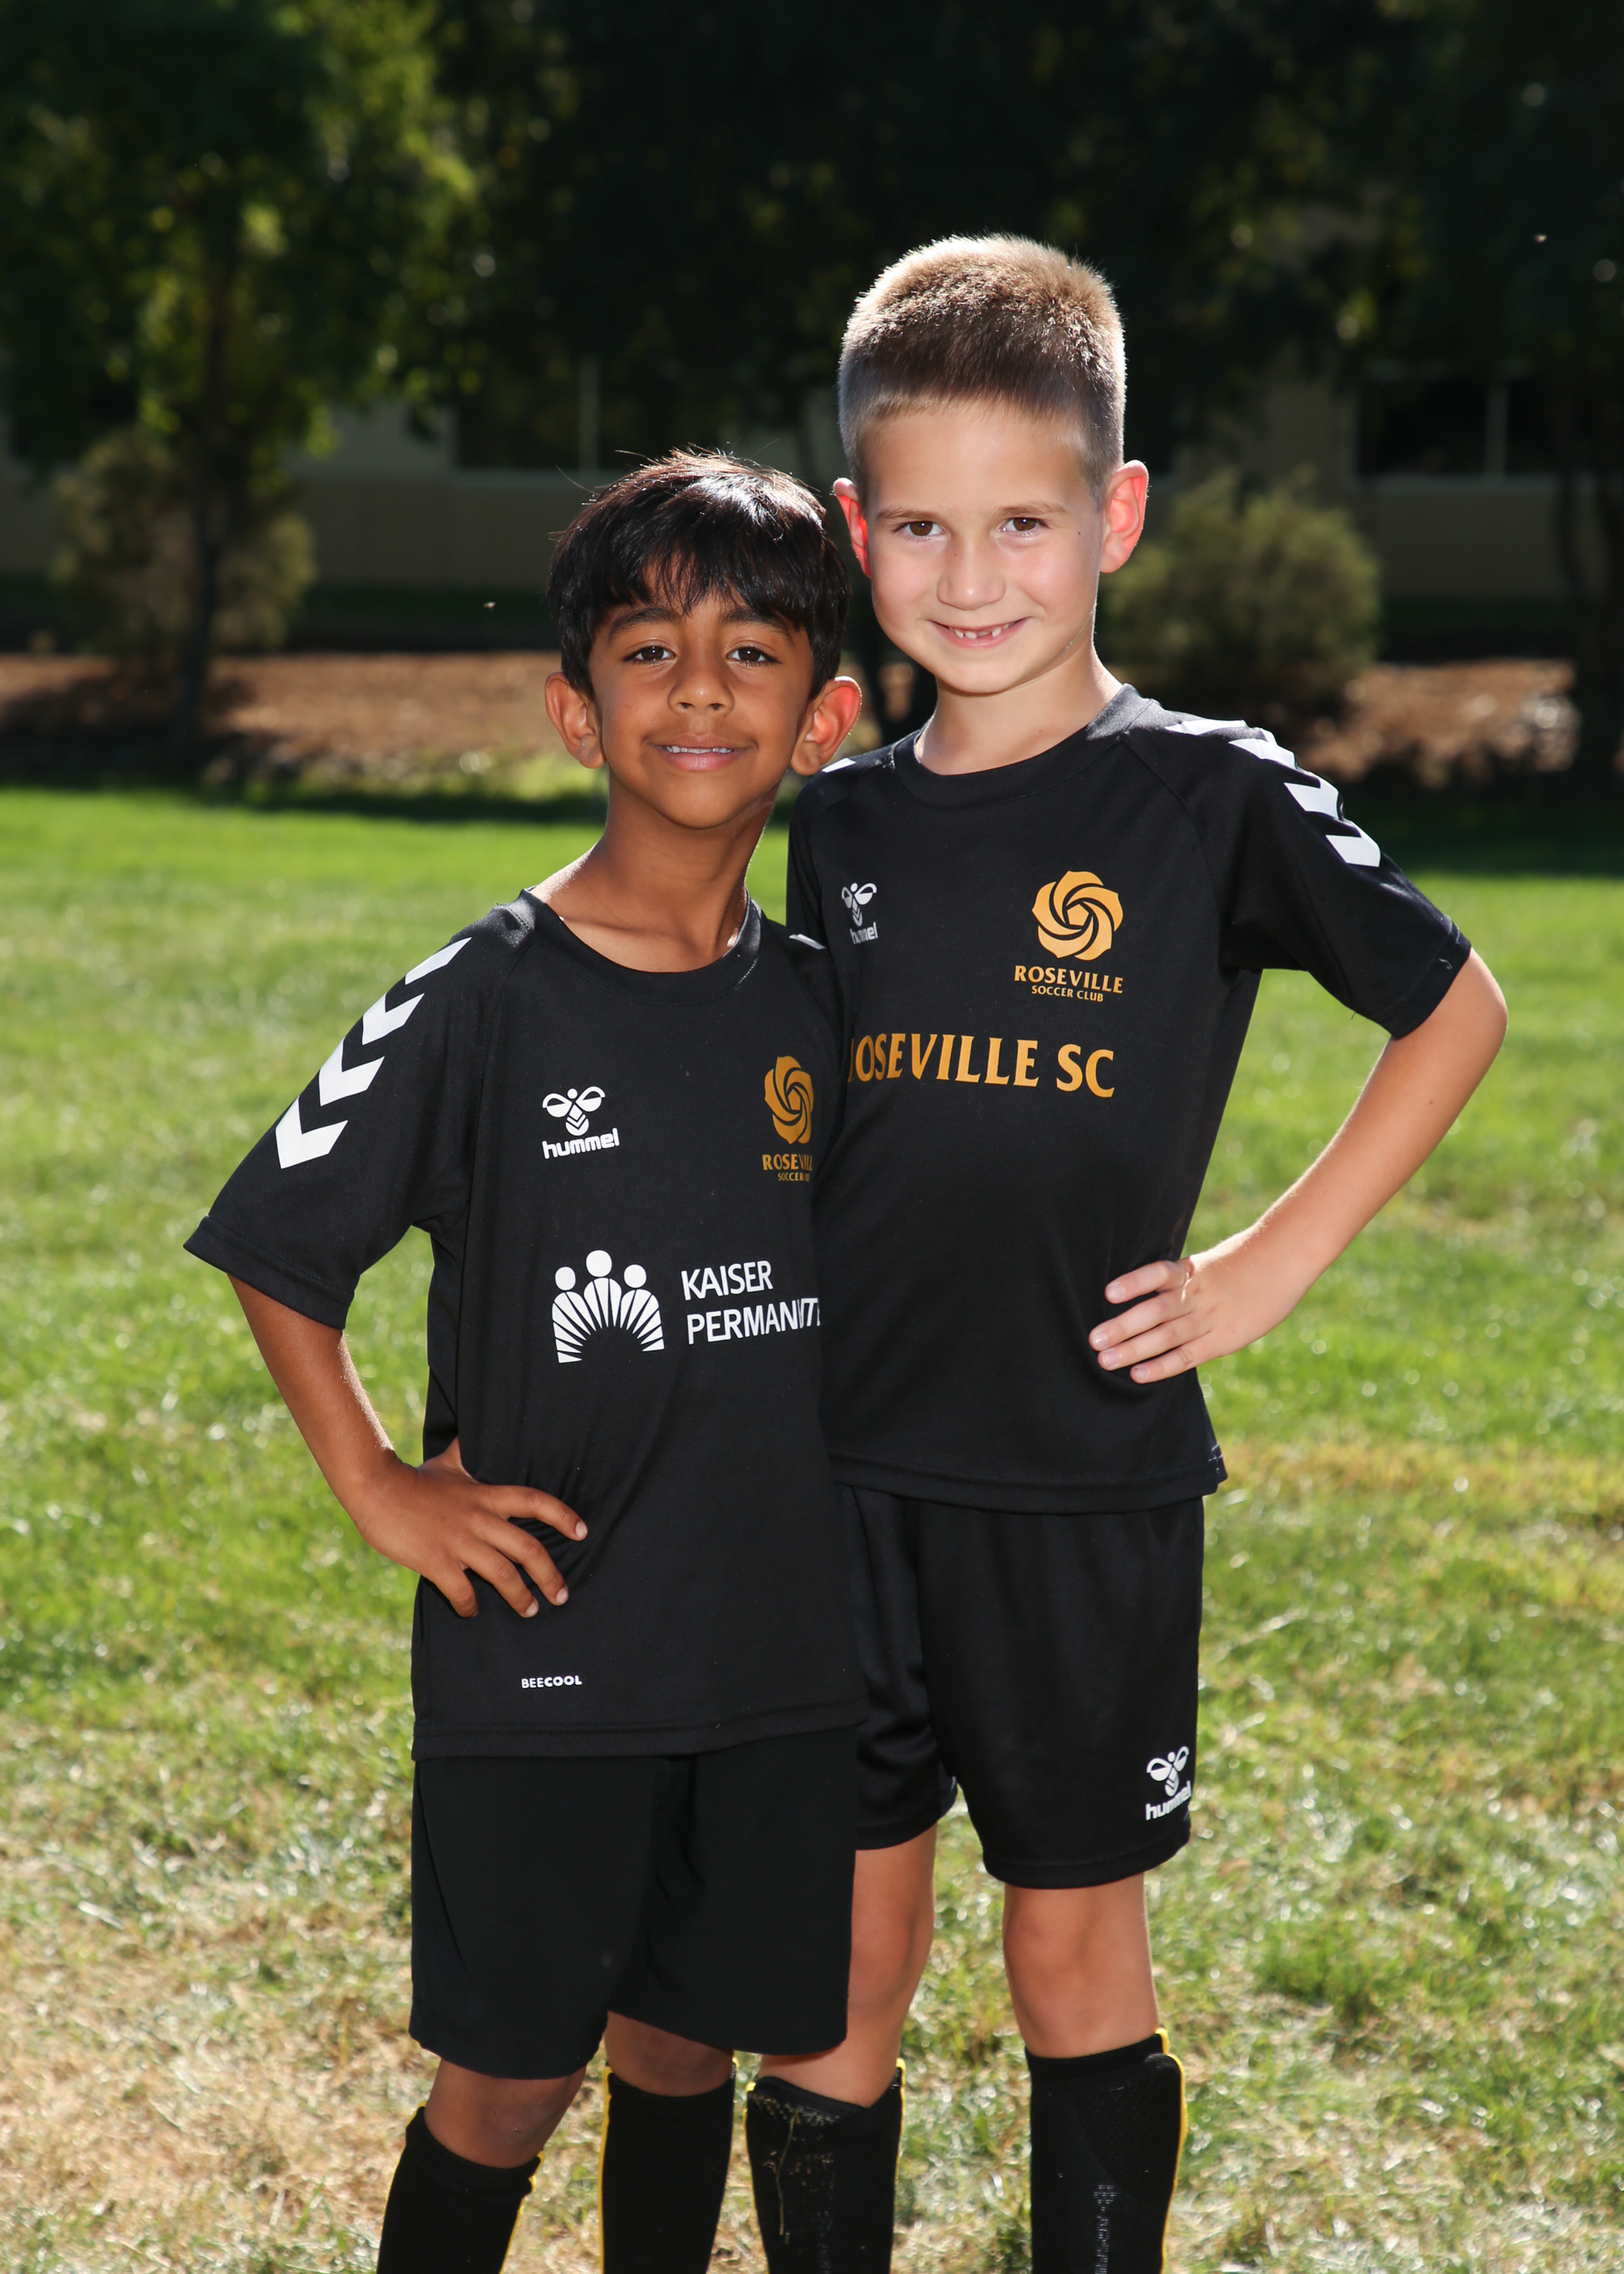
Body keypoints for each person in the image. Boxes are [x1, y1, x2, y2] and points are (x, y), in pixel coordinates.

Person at [758, 236, 1508, 2272]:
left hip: (1080, 1478)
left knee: (1071, 1948)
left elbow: (1454, 1007)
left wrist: (1268, 1261)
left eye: (1022, 521)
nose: (971, 574)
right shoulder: (838, 824)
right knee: (838, 1960)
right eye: (921, 526)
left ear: (1117, 515)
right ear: (858, 532)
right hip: (839, 1476)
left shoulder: (1205, 793)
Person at [184, 454, 871, 2274]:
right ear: (579, 709)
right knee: (508, 2079)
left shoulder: (819, 1000)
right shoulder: (484, 990)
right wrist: (377, 1483)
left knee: (687, 2046)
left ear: (823, 718)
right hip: (548, 1647)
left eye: (752, 651)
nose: (701, 688)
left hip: (772, 1650)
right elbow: (278, 1242)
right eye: (649, 650)